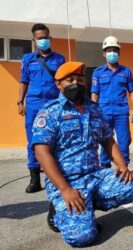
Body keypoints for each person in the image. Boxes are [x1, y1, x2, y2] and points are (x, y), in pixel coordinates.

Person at [32, 62, 133, 247]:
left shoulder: (94, 108)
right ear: (59, 84)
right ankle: (59, 210)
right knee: (81, 238)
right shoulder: (50, 112)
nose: (76, 83)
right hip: (66, 181)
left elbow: (107, 139)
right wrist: (65, 190)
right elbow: (42, 154)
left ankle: (86, 205)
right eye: (70, 80)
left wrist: (122, 165)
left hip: (93, 175)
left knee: (131, 187)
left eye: (80, 79)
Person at [17, 23, 65, 193]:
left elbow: (63, 82)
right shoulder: (28, 59)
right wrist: (20, 102)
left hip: (53, 104)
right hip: (34, 103)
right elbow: (24, 81)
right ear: (34, 40)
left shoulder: (59, 59)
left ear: (50, 38)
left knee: (56, 140)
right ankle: (34, 178)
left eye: (45, 37)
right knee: (33, 140)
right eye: (40, 38)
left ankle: (55, 177)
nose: (43, 40)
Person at [91, 36, 133, 167]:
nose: (112, 53)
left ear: (119, 53)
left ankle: (124, 167)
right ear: (104, 53)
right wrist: (94, 112)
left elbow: (132, 91)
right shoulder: (98, 72)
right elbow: (94, 93)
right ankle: (105, 167)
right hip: (103, 112)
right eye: (109, 50)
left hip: (121, 112)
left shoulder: (126, 72)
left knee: (124, 140)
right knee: (105, 139)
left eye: (115, 50)